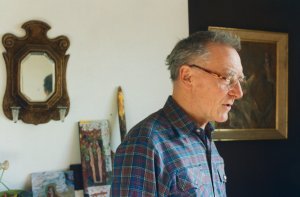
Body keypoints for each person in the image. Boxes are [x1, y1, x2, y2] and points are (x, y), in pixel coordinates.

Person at [111, 31, 244, 196]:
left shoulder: (205, 138)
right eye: (228, 78)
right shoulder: (145, 143)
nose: (238, 92)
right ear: (187, 76)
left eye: (239, 80)